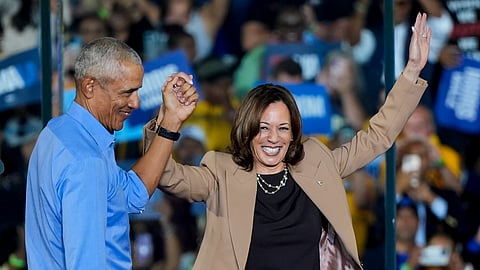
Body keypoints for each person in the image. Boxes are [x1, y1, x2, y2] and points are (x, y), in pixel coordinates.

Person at [142, 13, 432, 269]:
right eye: (263, 127)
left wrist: (411, 72)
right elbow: (166, 175)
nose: (273, 137)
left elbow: (377, 137)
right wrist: (167, 120)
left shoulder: (317, 162)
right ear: (247, 130)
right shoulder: (220, 171)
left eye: (283, 128)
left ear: (294, 133)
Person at [25, 37, 198, 269]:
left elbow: (131, 194)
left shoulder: (59, 132)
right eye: (127, 92)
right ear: (89, 87)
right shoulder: (86, 161)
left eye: (137, 91)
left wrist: (171, 121)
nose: (135, 103)